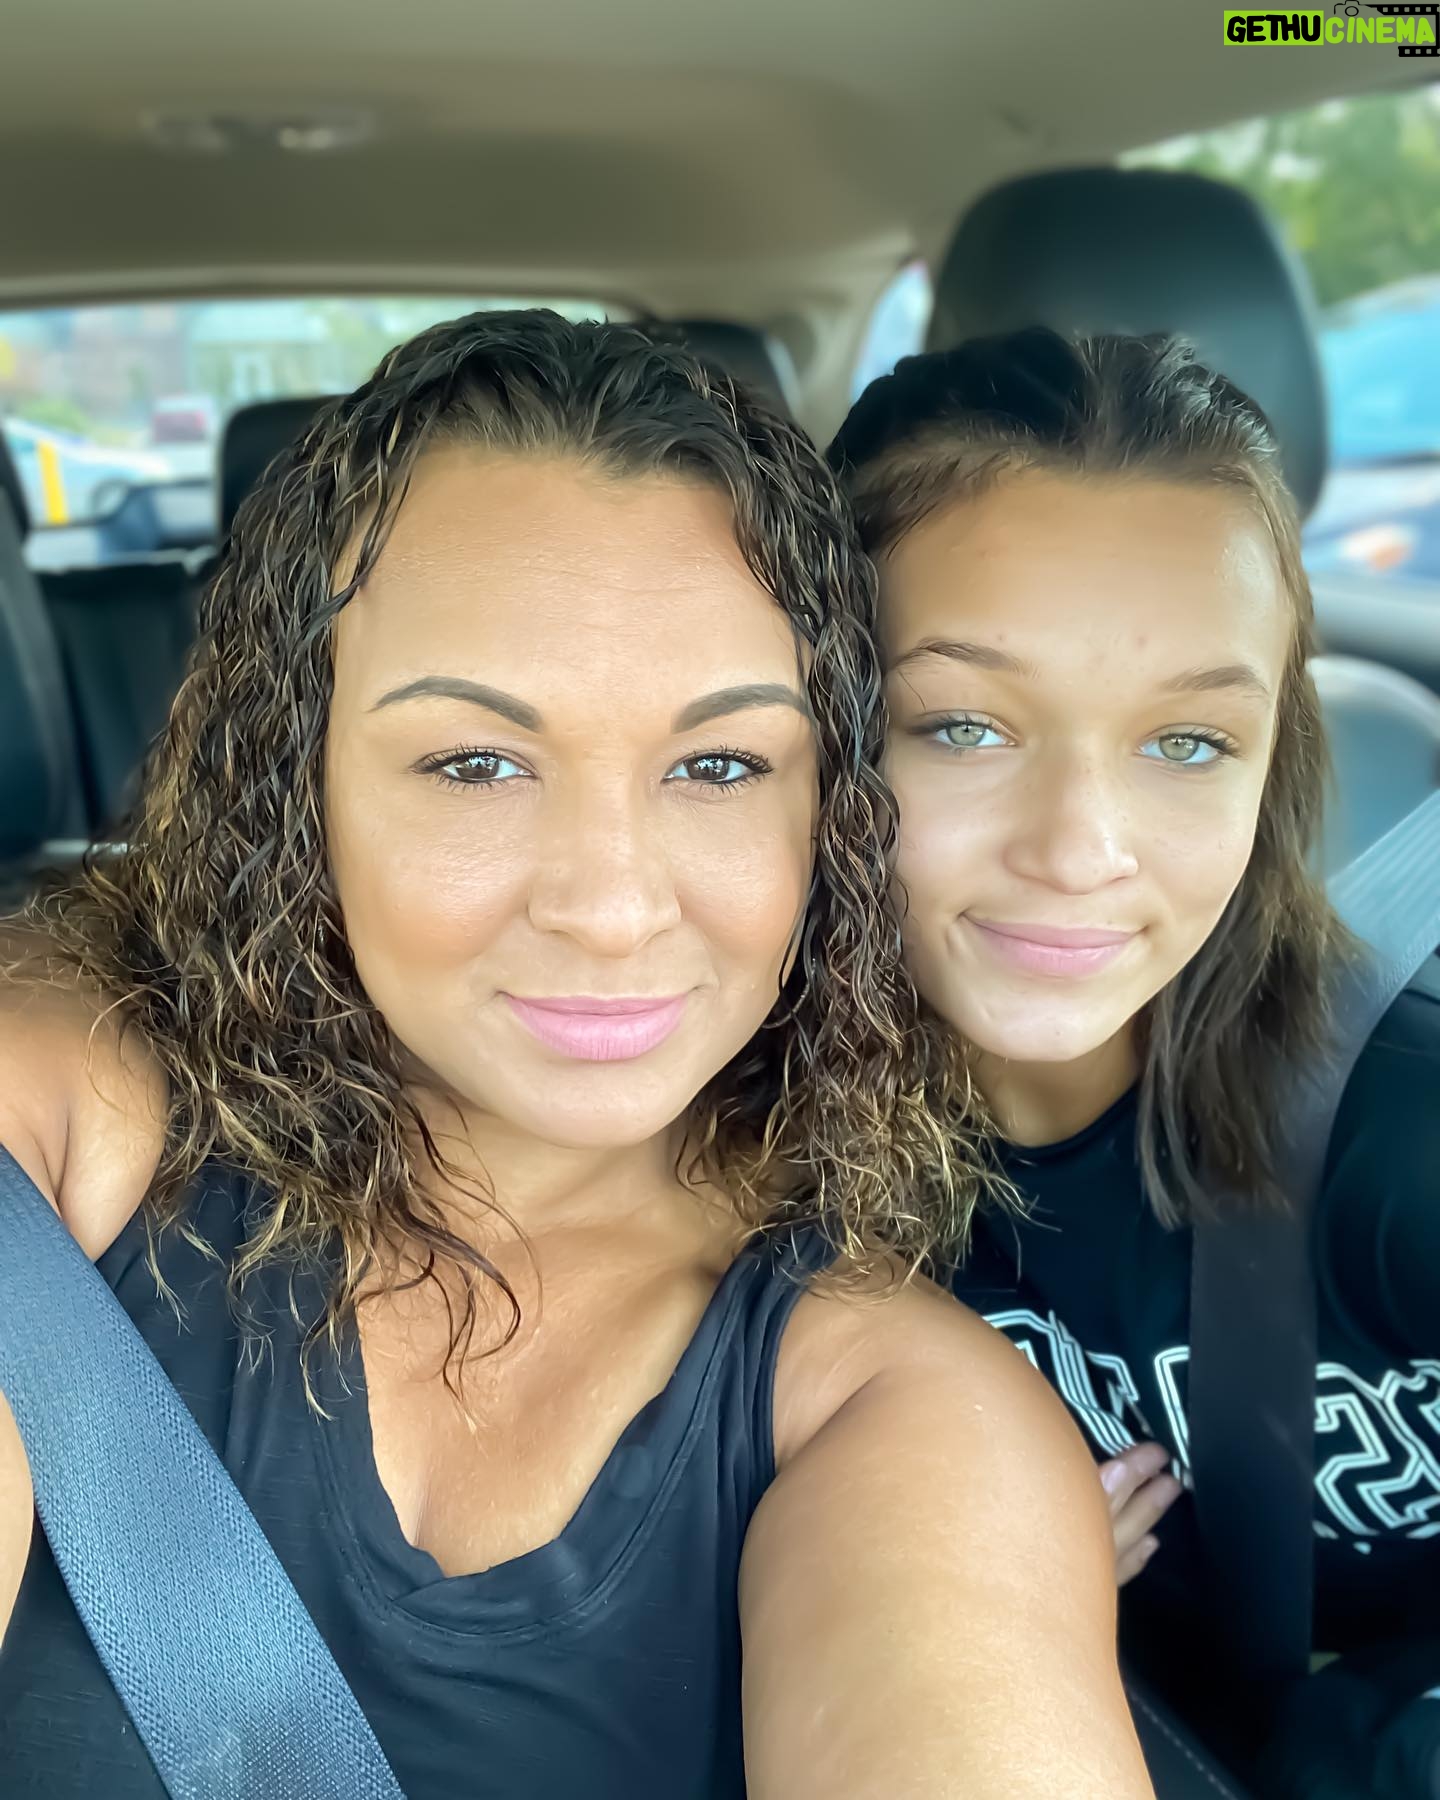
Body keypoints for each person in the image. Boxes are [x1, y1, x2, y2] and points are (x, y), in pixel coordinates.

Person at [0, 312, 1152, 1799]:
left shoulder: (893, 1410)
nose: (611, 908)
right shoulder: (73, 1101)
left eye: (720, 765)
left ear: (832, 818)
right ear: (299, 788)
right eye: (475, 763)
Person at [828, 326, 1440, 1777]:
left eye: (1187, 743)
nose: (1080, 852)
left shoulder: (1400, 1134)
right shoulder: (746, 1169)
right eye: (962, 726)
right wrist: (971, 1600)